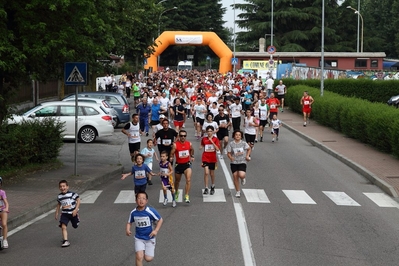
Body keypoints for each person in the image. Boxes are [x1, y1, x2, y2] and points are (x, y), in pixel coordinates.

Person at [126, 192, 163, 266]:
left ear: (146, 201)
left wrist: (156, 230)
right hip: (139, 238)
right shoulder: (133, 212)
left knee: (148, 258)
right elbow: (129, 222)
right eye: (139, 198)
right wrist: (127, 230)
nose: (141, 200)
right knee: (139, 257)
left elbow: (160, 219)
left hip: (149, 237)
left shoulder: (150, 211)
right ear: (136, 201)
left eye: (143, 198)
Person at [169, 130, 195, 203]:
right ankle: (177, 192)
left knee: (188, 179)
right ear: (179, 136)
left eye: (184, 136)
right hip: (179, 165)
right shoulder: (175, 145)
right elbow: (172, 153)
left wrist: (192, 156)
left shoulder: (189, 144)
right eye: (181, 136)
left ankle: (186, 195)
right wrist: (171, 157)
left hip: (187, 164)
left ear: (186, 136)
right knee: (177, 181)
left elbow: (192, 150)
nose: (183, 137)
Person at [55, 179, 81, 248]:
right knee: (63, 227)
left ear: (67, 187)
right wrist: (57, 212)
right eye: (60, 186)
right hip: (64, 214)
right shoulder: (59, 196)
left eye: (64, 186)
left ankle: (77, 219)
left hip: (73, 213)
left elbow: (78, 200)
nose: (62, 188)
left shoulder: (72, 194)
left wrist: (76, 209)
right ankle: (65, 240)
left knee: (75, 226)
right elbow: (58, 204)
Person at [226, 130, 251, 198]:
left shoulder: (243, 143)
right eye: (236, 135)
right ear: (234, 136)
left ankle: (243, 178)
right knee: (235, 176)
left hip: (242, 161)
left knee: (241, 174)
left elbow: (249, 149)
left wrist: (247, 156)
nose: (237, 136)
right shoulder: (231, 144)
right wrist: (230, 157)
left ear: (241, 136)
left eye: (239, 135)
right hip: (234, 162)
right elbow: (228, 153)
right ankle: (238, 191)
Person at [200, 126, 220, 195]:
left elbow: (217, 149)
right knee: (206, 173)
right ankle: (206, 187)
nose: (209, 132)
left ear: (213, 132)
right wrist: (200, 147)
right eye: (208, 131)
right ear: (206, 132)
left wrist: (212, 142)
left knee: (212, 174)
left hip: (212, 158)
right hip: (205, 158)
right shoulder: (204, 139)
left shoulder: (216, 139)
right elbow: (202, 145)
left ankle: (213, 185)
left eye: (211, 131)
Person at [0, 176, 9, 248]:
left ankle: (5, 240)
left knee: (4, 224)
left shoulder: (2, 192)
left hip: (2, 210)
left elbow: (6, 202)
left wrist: (6, 208)